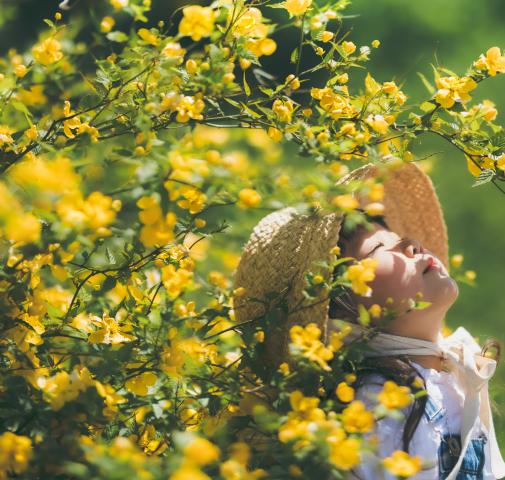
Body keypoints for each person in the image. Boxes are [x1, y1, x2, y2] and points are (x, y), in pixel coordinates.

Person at [232, 160, 505, 480]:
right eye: (379, 247)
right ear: (340, 312)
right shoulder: (378, 410)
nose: (411, 244)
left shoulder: (451, 379)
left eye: (396, 236)